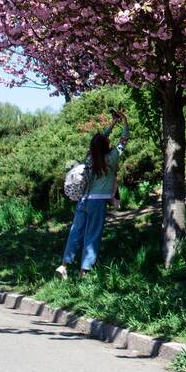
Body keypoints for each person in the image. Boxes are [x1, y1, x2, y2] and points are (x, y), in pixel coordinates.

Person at [56, 108, 129, 279]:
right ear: (106, 145)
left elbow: (98, 140)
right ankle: (85, 271)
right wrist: (124, 122)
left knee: (75, 232)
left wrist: (112, 124)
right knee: (93, 234)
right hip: (97, 202)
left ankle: (64, 265)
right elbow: (124, 139)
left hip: (83, 200)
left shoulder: (90, 156)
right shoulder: (111, 157)